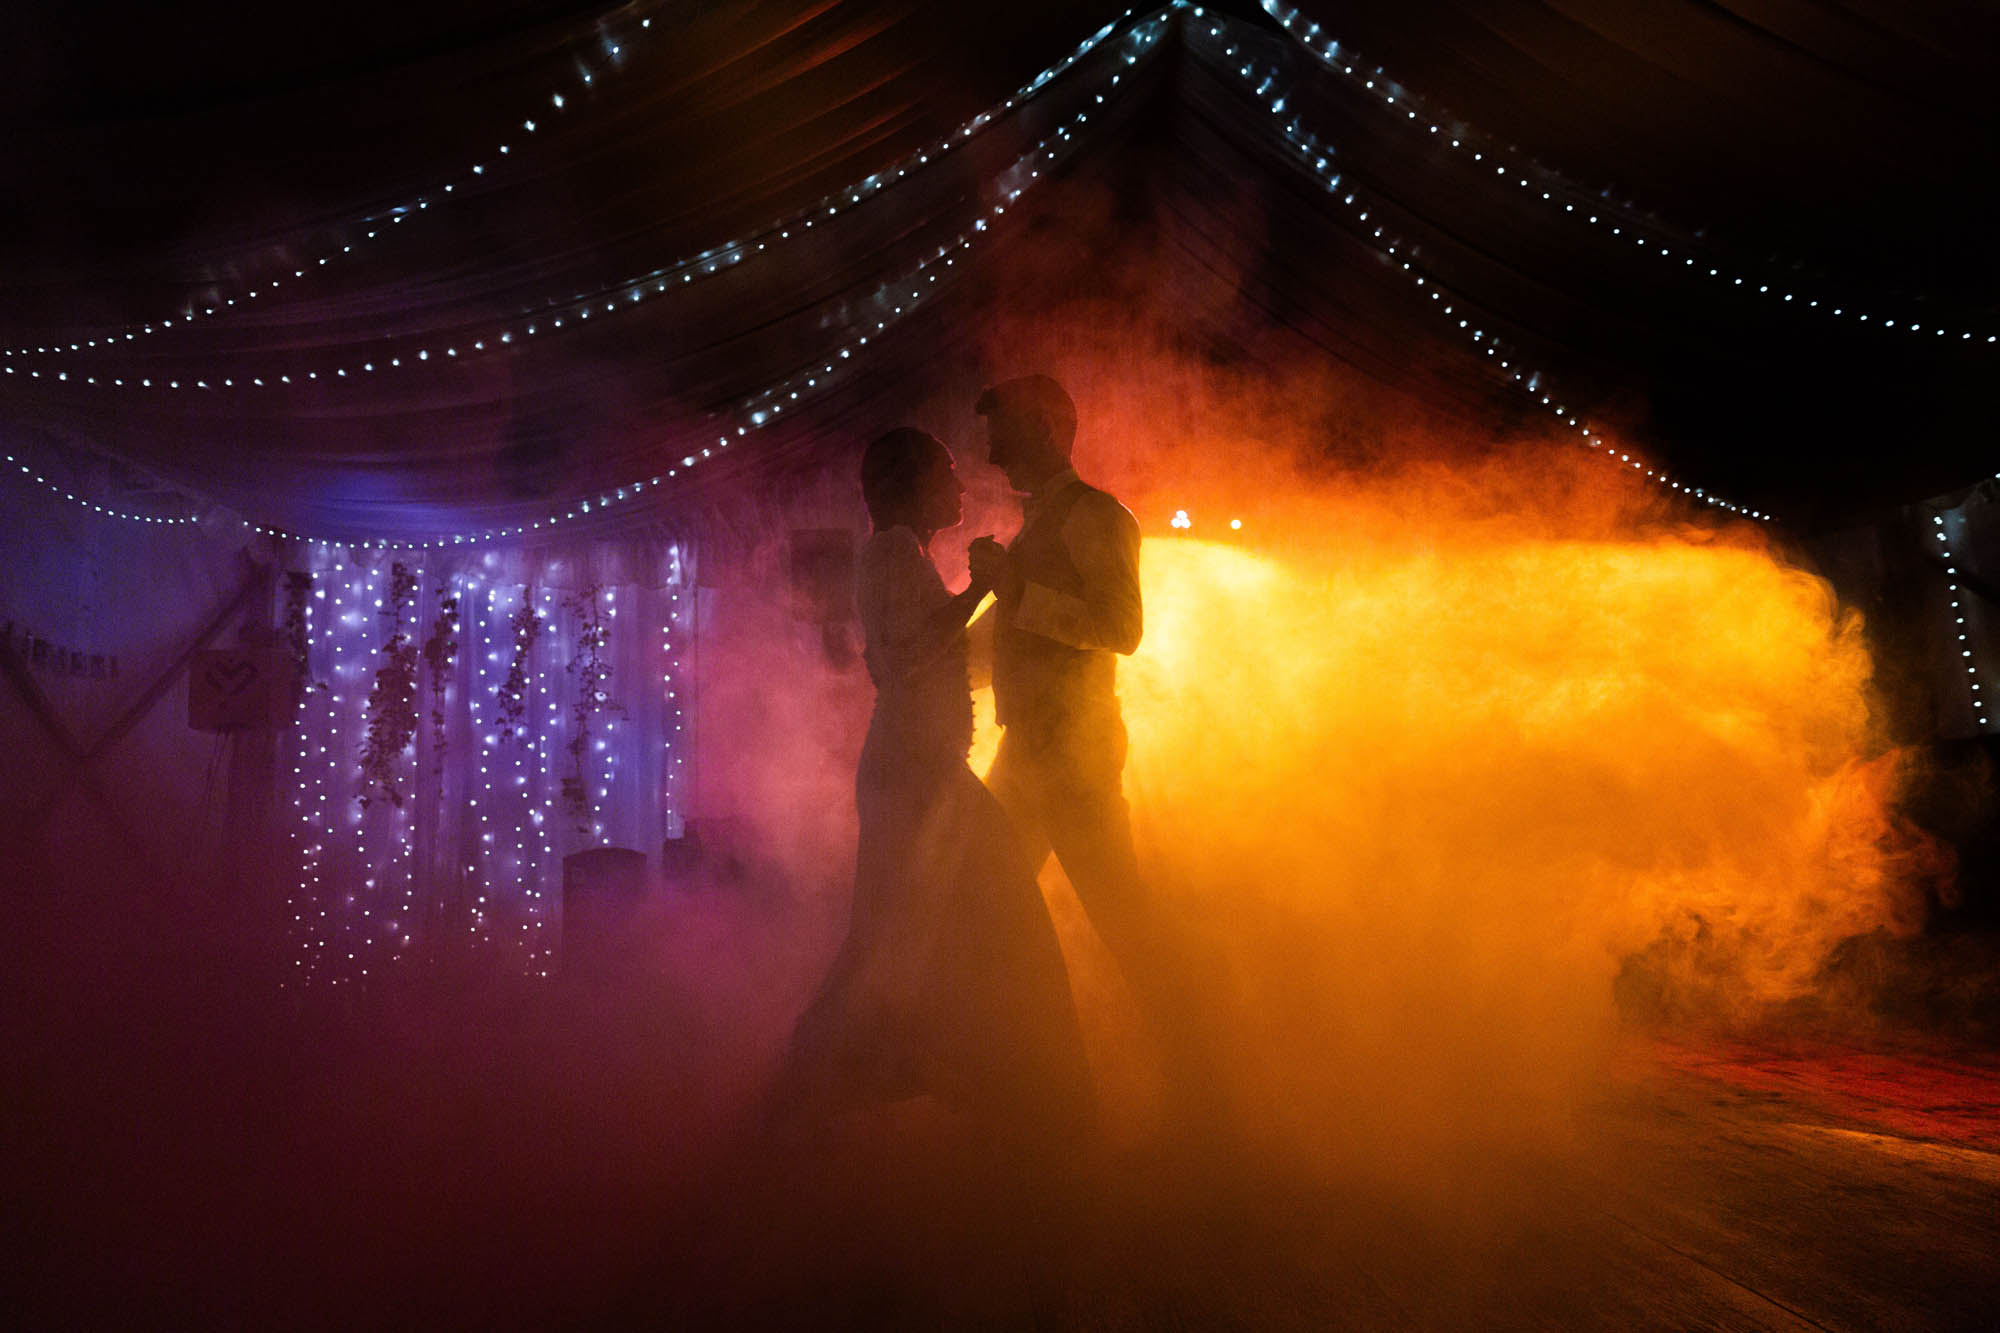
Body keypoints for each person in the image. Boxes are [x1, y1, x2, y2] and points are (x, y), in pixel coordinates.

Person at [774, 427, 1096, 1147]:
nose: (960, 484)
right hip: (915, 772)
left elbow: (920, 653)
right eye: (946, 473)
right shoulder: (891, 550)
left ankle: (854, 1083)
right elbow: (913, 653)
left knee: (911, 930)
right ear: (911, 483)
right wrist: (985, 586)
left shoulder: (899, 552)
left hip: (921, 768)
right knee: (970, 918)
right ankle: (1036, 1099)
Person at [967, 375, 1222, 1137]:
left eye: (1002, 430)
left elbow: (1122, 628)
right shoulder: (1041, 524)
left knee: (1122, 923)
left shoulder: (1100, 517)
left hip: (1073, 760)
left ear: (1048, 426)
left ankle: (1206, 1088)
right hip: (1031, 753)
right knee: (983, 905)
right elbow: (1011, 640)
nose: (988, 449)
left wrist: (1013, 589)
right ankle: (1027, 1086)